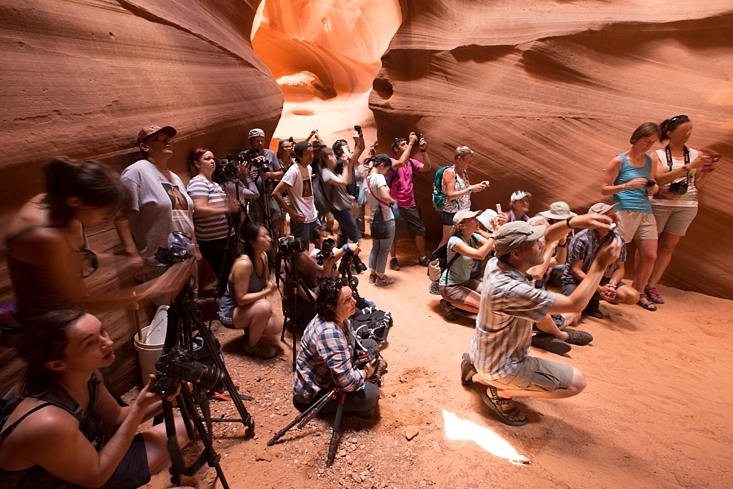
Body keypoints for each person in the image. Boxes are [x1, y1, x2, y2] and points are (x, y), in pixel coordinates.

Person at [461, 214, 621, 426]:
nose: (542, 243)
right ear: (516, 253)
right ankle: (500, 393)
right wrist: (600, 264)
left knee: (547, 318)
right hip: (503, 366)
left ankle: (474, 364)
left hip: (485, 351)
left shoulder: (497, 263)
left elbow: (546, 237)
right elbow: (575, 303)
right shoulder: (510, 290)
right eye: (535, 243)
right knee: (576, 383)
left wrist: (575, 222)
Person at [0, 309, 189, 489]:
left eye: (102, 332)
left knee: (186, 427)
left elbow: (116, 419)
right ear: (57, 364)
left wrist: (164, 400)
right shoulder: (48, 423)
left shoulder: (88, 376)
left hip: (86, 465)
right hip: (81, 478)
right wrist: (139, 405)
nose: (107, 342)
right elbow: (96, 477)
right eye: (89, 343)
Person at [4, 157, 191, 322]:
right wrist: (153, 288)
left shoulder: (61, 204)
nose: (109, 219)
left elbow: (70, 259)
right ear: (75, 200)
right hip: (53, 333)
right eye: (106, 213)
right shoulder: (46, 237)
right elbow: (78, 305)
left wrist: (125, 262)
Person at [644, 115, 719, 304]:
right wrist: (688, 167)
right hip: (660, 205)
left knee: (668, 247)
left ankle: (652, 285)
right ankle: (640, 284)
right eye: (684, 130)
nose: (688, 134)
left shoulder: (695, 154)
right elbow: (659, 180)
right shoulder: (658, 155)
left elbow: (696, 186)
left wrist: (707, 174)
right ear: (669, 133)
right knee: (649, 248)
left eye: (690, 129)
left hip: (686, 206)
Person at [116, 125, 198, 283]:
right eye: (159, 138)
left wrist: (196, 248)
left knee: (189, 306)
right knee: (165, 307)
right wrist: (132, 254)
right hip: (157, 263)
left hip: (186, 259)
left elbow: (186, 217)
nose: (167, 141)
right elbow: (121, 216)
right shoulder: (136, 172)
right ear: (144, 146)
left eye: (169, 139)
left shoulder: (175, 177)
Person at [293, 277, 383, 419]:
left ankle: (365, 378)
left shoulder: (337, 316)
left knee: (371, 346)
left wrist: (362, 360)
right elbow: (346, 383)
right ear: (331, 306)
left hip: (331, 375)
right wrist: (366, 372)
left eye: (352, 296)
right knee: (372, 394)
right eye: (347, 300)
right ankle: (358, 406)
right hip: (315, 396)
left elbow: (355, 342)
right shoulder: (330, 333)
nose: (354, 302)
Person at [601, 122, 660, 311]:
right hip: (623, 209)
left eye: (652, 142)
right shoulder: (620, 160)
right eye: (646, 140)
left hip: (645, 209)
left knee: (650, 255)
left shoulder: (650, 161)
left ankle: (640, 291)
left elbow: (654, 183)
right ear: (636, 138)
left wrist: (653, 188)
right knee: (615, 254)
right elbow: (604, 188)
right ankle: (606, 288)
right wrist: (626, 186)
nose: (648, 145)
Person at [561, 203, 640, 321]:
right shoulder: (581, 238)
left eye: (614, 215)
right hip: (577, 281)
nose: (615, 219)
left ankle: (592, 299)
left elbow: (620, 268)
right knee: (572, 318)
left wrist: (612, 285)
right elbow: (576, 270)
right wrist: (599, 288)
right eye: (609, 216)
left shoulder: (618, 239)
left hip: (602, 280)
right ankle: (585, 299)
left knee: (632, 296)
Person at [217, 221, 281, 359]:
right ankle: (253, 345)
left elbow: (263, 284)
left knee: (275, 327)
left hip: (246, 307)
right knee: (264, 307)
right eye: (264, 236)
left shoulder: (262, 256)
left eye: (268, 235)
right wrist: (267, 292)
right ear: (252, 242)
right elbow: (240, 299)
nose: (269, 239)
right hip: (230, 312)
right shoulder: (244, 264)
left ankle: (250, 328)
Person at [186, 148, 239, 293]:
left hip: (225, 237)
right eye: (207, 159)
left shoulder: (214, 183)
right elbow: (199, 209)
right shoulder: (198, 183)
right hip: (214, 241)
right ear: (197, 164)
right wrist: (227, 209)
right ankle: (229, 310)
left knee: (231, 276)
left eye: (212, 158)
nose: (212, 162)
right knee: (227, 278)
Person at [438, 210, 496, 320]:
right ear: (462, 225)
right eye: (472, 219)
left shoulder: (473, 236)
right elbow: (480, 254)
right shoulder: (455, 241)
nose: (476, 220)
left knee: (493, 293)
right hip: (450, 286)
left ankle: (461, 302)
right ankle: (450, 304)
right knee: (485, 308)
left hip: (466, 281)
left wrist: (499, 230)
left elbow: (495, 246)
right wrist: (493, 236)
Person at [387, 132, 432, 270]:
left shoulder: (411, 162)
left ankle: (422, 257)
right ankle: (393, 259)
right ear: (396, 149)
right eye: (403, 144)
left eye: (406, 143)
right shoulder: (391, 162)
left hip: (410, 204)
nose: (406, 145)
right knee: (394, 233)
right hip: (396, 205)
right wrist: (412, 143)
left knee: (419, 230)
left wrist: (423, 150)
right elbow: (401, 162)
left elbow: (427, 167)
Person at [272, 141, 321, 246]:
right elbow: (276, 193)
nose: (312, 156)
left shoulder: (309, 168)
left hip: (313, 216)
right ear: (299, 155)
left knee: (323, 244)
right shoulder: (293, 171)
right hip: (301, 220)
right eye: (308, 153)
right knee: (302, 253)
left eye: (312, 152)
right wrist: (291, 212)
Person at [440, 146, 490, 245]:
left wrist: (478, 186)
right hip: (452, 213)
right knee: (447, 239)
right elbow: (451, 195)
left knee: (463, 238)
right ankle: (437, 259)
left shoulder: (463, 172)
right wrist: (471, 189)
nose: (470, 163)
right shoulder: (450, 172)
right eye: (468, 160)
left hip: (465, 211)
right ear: (459, 159)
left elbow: (464, 189)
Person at [319, 144, 363, 245]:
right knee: (356, 236)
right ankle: (353, 258)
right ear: (328, 158)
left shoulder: (332, 172)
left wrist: (348, 165)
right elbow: (343, 181)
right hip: (339, 208)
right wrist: (346, 165)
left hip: (343, 207)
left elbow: (348, 180)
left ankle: (343, 257)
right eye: (334, 156)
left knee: (345, 235)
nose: (335, 159)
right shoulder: (326, 173)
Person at [365, 154, 397, 287]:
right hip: (385, 218)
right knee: (384, 249)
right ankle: (381, 277)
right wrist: (393, 201)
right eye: (387, 169)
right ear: (382, 165)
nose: (387, 172)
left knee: (375, 247)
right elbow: (384, 195)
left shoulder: (367, 179)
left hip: (374, 218)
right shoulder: (378, 177)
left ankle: (372, 274)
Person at [246, 128, 283, 238]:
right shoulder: (245, 156)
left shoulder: (270, 154)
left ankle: (273, 240)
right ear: (250, 141)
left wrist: (268, 175)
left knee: (276, 215)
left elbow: (280, 174)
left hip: (269, 192)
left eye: (262, 140)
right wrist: (250, 164)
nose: (260, 143)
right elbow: (240, 177)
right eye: (257, 141)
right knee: (258, 220)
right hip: (255, 196)